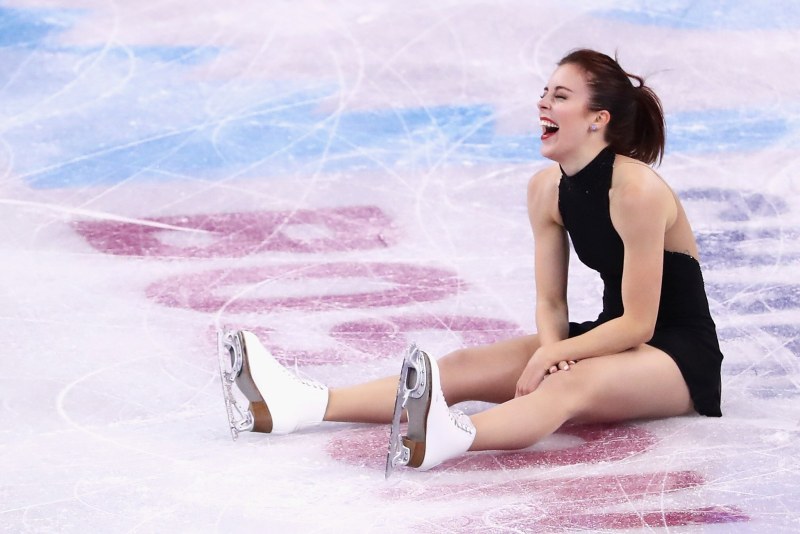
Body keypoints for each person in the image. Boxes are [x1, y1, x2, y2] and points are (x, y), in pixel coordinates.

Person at [218, 48, 724, 474]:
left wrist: (554, 361)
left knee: (569, 384)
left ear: (599, 119)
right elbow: (551, 299)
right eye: (545, 93)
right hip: (608, 337)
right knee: (463, 366)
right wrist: (552, 347)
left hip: (678, 357)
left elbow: (639, 322)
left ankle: (451, 436)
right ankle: (299, 405)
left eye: (560, 97)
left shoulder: (637, 190)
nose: (543, 103)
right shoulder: (545, 189)